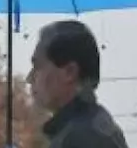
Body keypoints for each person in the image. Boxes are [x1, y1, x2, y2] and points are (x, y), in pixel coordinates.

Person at [28, 20, 129, 148]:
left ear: (69, 72)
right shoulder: (92, 126)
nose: (29, 78)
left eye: (37, 66)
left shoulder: (80, 138)